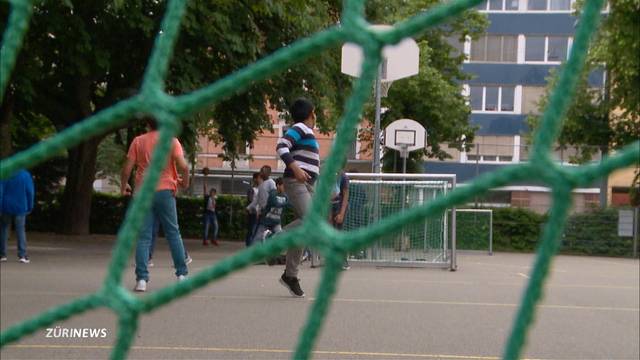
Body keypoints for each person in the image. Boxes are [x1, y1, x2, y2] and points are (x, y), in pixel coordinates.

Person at [121, 117, 189, 292]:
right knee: (173, 233)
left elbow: (127, 168)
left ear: (148, 124)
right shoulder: (172, 141)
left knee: (144, 237)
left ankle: (142, 280)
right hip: (165, 190)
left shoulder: (138, 141)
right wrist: (185, 183)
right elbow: (184, 167)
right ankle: (182, 275)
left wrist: (124, 186)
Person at [275, 97, 319, 297]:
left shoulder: (307, 132)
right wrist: (296, 168)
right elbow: (281, 146)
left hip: (308, 184)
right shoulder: (300, 127)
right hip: (296, 181)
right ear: (311, 114)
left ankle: (290, 275)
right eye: (315, 112)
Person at [0, 169, 34, 263]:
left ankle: (2, 254)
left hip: (6, 206)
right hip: (21, 206)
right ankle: (22, 255)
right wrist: (30, 206)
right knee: (20, 230)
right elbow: (30, 192)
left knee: (4, 229)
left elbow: (1, 191)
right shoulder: (25, 175)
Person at [253, 177, 288, 245]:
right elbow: (275, 203)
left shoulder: (285, 196)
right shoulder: (273, 193)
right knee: (257, 238)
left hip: (276, 221)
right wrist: (284, 204)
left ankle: (269, 240)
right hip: (266, 220)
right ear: (278, 185)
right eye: (283, 185)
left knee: (280, 236)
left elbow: (288, 204)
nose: (285, 188)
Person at [252, 165, 276, 245]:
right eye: (261, 170)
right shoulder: (261, 184)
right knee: (262, 232)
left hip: (269, 212)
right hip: (263, 212)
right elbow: (259, 199)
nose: (260, 172)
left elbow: (274, 197)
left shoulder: (271, 183)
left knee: (261, 233)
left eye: (262, 171)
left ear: (268, 173)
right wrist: (258, 210)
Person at [245, 172, 261, 247]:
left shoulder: (261, 189)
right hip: (253, 213)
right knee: (251, 230)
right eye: (258, 178)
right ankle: (249, 246)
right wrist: (256, 210)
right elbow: (251, 201)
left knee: (256, 231)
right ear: (255, 179)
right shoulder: (251, 190)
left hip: (259, 213)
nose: (260, 179)